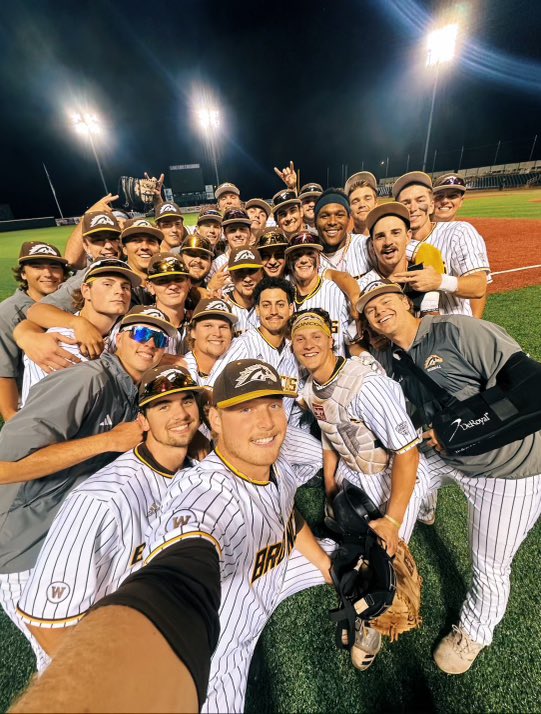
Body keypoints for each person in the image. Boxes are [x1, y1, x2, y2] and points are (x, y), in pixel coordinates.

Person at [358, 278, 541, 674]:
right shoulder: (391, 357)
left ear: (407, 303)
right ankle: (380, 588)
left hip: (508, 469)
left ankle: (474, 632)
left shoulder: (458, 329)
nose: (380, 310)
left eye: (386, 300)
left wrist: (455, 429)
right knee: (392, 491)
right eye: (371, 309)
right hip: (445, 456)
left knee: (490, 563)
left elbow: (533, 386)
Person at [142, 359, 336, 712]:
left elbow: (286, 512)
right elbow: (178, 566)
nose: (266, 422)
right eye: (245, 409)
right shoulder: (205, 496)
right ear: (214, 419)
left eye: (273, 405)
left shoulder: (275, 465)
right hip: (210, 662)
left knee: (350, 559)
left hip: (261, 585)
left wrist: (327, 566)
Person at [0, 306, 176, 662]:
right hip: (25, 546)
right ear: (118, 339)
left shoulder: (131, 389)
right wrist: (108, 441)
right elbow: (4, 468)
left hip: (69, 538)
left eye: (159, 338)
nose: (150, 344)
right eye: (141, 334)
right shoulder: (88, 379)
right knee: (66, 666)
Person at [17, 365, 208, 667]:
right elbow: (46, 623)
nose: (181, 415)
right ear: (142, 421)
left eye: (187, 401)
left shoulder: (198, 471)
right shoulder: (101, 500)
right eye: (163, 405)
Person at [291, 306, 429, 669]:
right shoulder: (311, 385)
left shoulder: (365, 384)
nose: (308, 345)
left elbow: (408, 454)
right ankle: (363, 589)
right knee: (352, 546)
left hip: (397, 474)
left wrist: (394, 520)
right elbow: (329, 434)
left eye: (315, 336)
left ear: (331, 339)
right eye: (300, 338)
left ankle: (373, 624)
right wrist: (331, 480)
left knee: (387, 555)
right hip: (358, 470)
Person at [21, 258, 139, 403]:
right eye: (107, 284)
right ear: (86, 291)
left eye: (125, 287)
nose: (119, 291)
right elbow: (46, 411)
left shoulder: (128, 335)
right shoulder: (59, 342)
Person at [392, 171, 491, 318]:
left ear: (431, 206)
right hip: (414, 333)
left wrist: (440, 281)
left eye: (420, 200)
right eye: (406, 203)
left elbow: (478, 286)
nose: (413, 208)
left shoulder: (459, 231)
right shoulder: (393, 243)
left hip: (454, 330)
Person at [0, 242, 69, 421]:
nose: (47, 273)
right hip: (32, 401)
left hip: (67, 390)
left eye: (54, 267)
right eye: (37, 267)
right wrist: (11, 418)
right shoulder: (8, 313)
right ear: (23, 273)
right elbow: (3, 373)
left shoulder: (68, 302)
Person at [215, 277, 300, 420]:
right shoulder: (243, 346)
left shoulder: (295, 349)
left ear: (290, 308)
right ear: (257, 310)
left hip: (285, 431)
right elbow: (212, 391)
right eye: (266, 305)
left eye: (280, 304)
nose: (274, 311)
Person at [286, 233, 352, 356]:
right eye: (298, 255)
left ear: (319, 260)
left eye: (310, 254)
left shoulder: (334, 290)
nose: (304, 260)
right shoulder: (284, 294)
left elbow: (351, 337)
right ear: (290, 262)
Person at [314, 188, 370, 279]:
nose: (332, 222)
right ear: (315, 222)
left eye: (340, 215)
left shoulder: (364, 245)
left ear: (348, 219)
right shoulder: (308, 255)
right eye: (324, 216)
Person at [184, 298, 237, 386]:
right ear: (192, 332)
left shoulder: (238, 365)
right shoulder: (182, 371)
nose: (217, 334)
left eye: (223, 327)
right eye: (208, 326)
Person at [146, 253, 192, 348]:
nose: (173, 286)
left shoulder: (199, 322)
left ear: (189, 283)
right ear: (150, 287)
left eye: (179, 279)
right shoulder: (138, 321)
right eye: (163, 281)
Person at [224, 246, 264, 334]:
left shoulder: (269, 303)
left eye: (252, 271)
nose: (247, 279)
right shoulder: (222, 304)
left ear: (261, 273)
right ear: (231, 275)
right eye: (240, 272)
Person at [208, 208, 252, 279]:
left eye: (242, 229)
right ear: (225, 235)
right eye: (232, 230)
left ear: (250, 232)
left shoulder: (260, 258)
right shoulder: (215, 265)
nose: (238, 234)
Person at [120, 218, 163, 290]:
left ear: (159, 249)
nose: (145, 247)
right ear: (124, 249)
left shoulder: (168, 282)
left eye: (151, 241)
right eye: (136, 241)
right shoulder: (117, 285)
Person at [344, 171, 379, 237]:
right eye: (355, 201)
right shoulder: (344, 244)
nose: (362, 204)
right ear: (349, 209)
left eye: (367, 198)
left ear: (376, 203)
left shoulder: (388, 241)